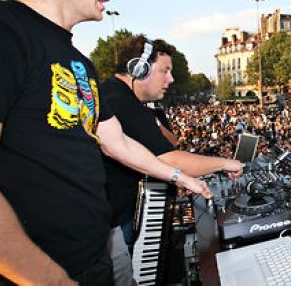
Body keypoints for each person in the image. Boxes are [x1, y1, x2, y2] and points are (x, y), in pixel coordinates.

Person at [0, 0, 209, 285]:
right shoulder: (0, 32)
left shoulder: (78, 61)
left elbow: (116, 141)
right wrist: (48, 278)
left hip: (92, 259)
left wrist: (178, 175)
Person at [102, 35, 243, 285]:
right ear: (139, 68)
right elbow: (170, 159)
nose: (171, 79)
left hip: (111, 218)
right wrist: (224, 162)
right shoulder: (121, 101)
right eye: (165, 71)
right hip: (103, 228)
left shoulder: (115, 95)